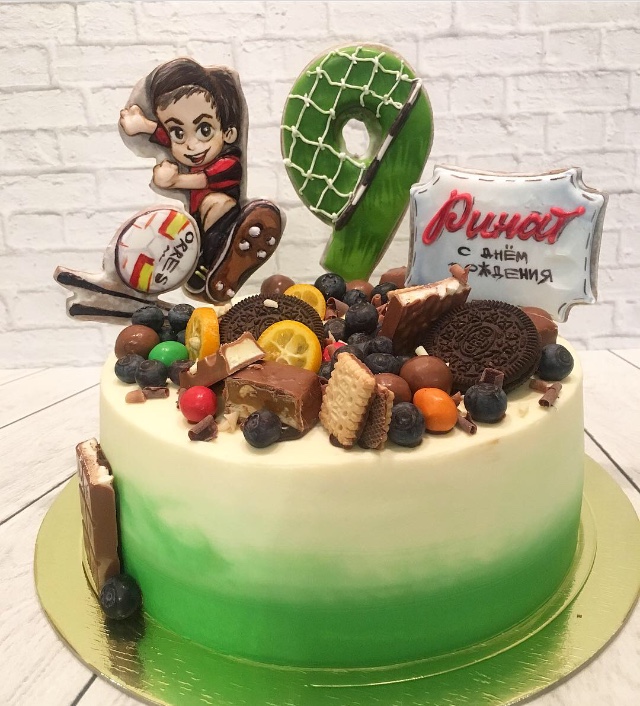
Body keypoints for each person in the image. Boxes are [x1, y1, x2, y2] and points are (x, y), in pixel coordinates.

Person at [119, 58, 245, 293]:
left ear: (229, 132)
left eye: (204, 130)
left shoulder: (229, 164)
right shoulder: (183, 143)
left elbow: (201, 180)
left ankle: (217, 258)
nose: (191, 145)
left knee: (217, 203)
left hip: (222, 217)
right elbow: (166, 135)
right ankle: (200, 260)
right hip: (197, 218)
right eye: (179, 132)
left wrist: (174, 181)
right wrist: (143, 125)